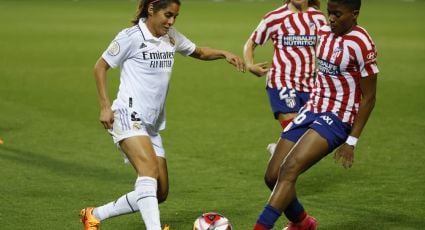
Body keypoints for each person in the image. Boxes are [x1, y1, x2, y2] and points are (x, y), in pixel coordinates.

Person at [79, 1, 245, 230]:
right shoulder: (131, 36)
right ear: (151, 9)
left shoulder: (171, 36)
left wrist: (223, 53)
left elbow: (198, 52)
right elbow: (100, 66)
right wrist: (105, 106)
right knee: (148, 172)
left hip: (151, 124)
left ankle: (94, 214)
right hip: (128, 114)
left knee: (159, 192)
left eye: (175, 16)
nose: (171, 21)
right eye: (167, 15)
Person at [252, 0, 379, 229]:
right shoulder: (322, 29)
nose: (330, 18)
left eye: (337, 14)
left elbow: (369, 97)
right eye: (329, 13)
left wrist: (351, 141)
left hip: (338, 116)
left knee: (289, 169)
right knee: (272, 175)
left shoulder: (362, 42)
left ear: (355, 14)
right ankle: (302, 223)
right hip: (312, 108)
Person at [243, 0, 327, 155]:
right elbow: (250, 43)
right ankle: (280, 165)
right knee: (295, 131)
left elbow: (324, 47)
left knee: (311, 135)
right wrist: (250, 65)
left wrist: (321, 68)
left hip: (310, 85)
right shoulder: (274, 17)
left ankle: (278, 151)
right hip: (281, 81)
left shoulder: (318, 17)